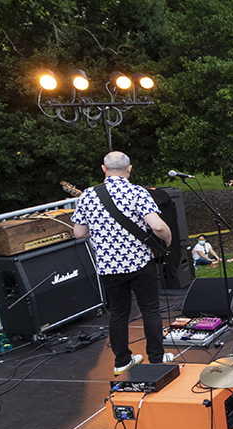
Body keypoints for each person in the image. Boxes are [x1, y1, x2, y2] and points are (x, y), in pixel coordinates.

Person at [71, 151, 173, 375]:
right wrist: (168, 240)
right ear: (129, 169)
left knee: (118, 313)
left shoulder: (88, 195)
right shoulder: (137, 192)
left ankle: (122, 361)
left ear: (103, 169)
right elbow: (157, 226)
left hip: (108, 267)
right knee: (150, 310)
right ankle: (156, 359)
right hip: (140, 264)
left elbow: (78, 232)